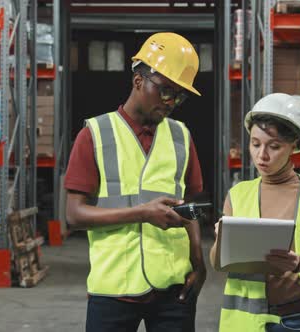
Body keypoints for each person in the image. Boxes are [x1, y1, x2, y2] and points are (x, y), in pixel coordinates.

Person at [64, 32, 206, 332]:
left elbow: (189, 206)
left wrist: (198, 261)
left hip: (174, 287)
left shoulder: (181, 136)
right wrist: (142, 213)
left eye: (179, 96)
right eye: (166, 91)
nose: (171, 102)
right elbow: (74, 215)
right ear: (138, 81)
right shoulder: (95, 135)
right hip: (114, 288)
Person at [210, 93, 300, 332]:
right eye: (255, 144)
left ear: (294, 144)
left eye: (274, 146)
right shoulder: (237, 195)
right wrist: (221, 242)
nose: (262, 155)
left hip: (297, 321)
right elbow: (218, 264)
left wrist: (299, 263)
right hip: (247, 322)